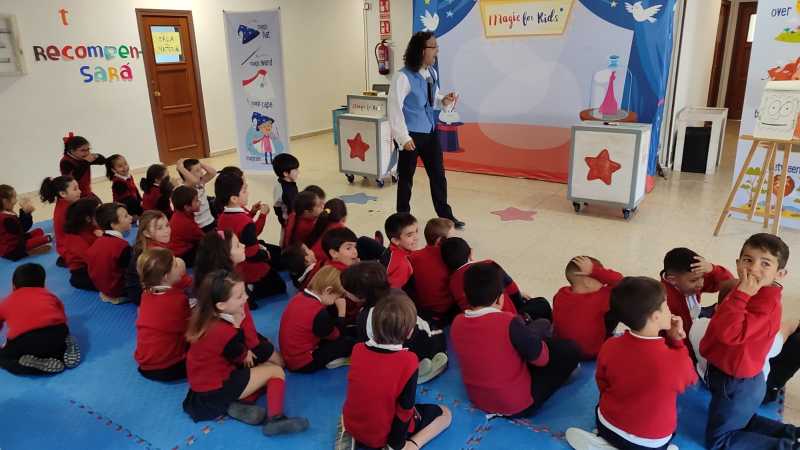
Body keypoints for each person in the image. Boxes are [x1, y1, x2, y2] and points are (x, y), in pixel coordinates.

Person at [565, 277, 696, 450]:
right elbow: (690, 379)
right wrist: (677, 341)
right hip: (651, 443)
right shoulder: (675, 360)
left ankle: (604, 443)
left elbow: (602, 383)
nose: (669, 309)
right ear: (655, 316)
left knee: (606, 407)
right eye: (666, 305)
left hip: (608, 426)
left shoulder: (610, 345)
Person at [700, 233, 799, 449]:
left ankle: (789, 446)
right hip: (738, 378)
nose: (753, 269)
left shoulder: (763, 302)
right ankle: (792, 434)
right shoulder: (747, 289)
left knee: (718, 442)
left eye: (765, 263)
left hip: (737, 382)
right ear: (738, 264)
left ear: (780, 274)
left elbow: (731, 334)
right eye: (748, 260)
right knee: (741, 419)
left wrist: (740, 295)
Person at [183, 270, 309, 436]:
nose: (246, 298)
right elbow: (239, 354)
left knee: (262, 369)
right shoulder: (225, 331)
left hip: (203, 384)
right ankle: (275, 419)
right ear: (221, 305)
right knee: (276, 371)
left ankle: (233, 406)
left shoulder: (205, 318)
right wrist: (239, 328)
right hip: (217, 387)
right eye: (240, 296)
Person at [338, 294, 452, 450]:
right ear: (409, 332)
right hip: (382, 436)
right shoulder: (409, 361)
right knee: (445, 414)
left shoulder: (358, 349)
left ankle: (351, 435)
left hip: (353, 424)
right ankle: (412, 445)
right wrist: (396, 444)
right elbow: (405, 409)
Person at [388, 31, 464, 229]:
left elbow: (432, 97)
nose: (437, 51)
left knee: (438, 175)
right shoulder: (402, 77)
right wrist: (403, 137)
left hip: (430, 132)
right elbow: (394, 108)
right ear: (422, 50)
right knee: (406, 178)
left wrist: (443, 100)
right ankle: (402, 218)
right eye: (434, 47)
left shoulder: (431, 73)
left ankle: (445, 215)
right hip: (411, 135)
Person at [0, 263, 81, 375]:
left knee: (4, 357)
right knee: (56, 341)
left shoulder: (5, 302)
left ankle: (32, 365)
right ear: (43, 284)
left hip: (25, 342)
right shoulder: (49, 295)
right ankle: (66, 346)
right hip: (58, 333)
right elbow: (62, 317)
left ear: (13, 286)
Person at [278, 266, 356, 373]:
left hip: (292, 356)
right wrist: (342, 313)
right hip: (303, 363)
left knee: (347, 330)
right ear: (328, 290)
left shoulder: (299, 297)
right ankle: (332, 360)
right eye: (338, 296)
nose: (338, 299)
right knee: (349, 343)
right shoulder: (319, 313)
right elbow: (336, 336)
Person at [135, 248, 192, 381]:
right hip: (168, 367)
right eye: (176, 264)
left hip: (145, 364)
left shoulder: (145, 294)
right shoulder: (178, 300)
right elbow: (189, 329)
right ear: (166, 276)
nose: (180, 264)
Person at [553, 256, 623, 360]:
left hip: (566, 351)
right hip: (592, 352)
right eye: (601, 279)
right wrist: (595, 271)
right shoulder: (601, 296)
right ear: (588, 282)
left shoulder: (560, 294)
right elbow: (622, 283)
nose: (604, 283)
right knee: (619, 301)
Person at [86, 202, 133, 304]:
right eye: (126, 216)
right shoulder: (121, 246)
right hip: (118, 290)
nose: (131, 217)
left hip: (102, 288)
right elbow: (132, 272)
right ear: (113, 225)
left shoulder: (97, 242)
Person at [0, 184, 52, 260]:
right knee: (47, 238)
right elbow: (23, 229)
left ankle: (30, 248)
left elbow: (18, 226)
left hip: (17, 239)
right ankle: (30, 252)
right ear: (5, 201)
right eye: (14, 197)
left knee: (39, 231)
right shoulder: (6, 219)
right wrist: (27, 213)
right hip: (12, 250)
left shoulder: (6, 212)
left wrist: (24, 212)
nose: (16, 200)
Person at [39, 175, 81, 266]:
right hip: (68, 249)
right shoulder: (68, 210)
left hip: (65, 246)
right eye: (75, 189)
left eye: (78, 188)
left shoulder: (64, 203)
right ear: (62, 193)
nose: (80, 191)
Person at [176, 158, 217, 232]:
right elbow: (194, 181)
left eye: (200, 169)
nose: (202, 172)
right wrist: (181, 168)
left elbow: (213, 172)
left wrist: (199, 163)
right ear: (186, 174)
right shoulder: (183, 188)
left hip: (210, 220)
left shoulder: (200, 183)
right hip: (199, 226)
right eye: (197, 170)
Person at [59, 134, 106, 200]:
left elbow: (103, 161)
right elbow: (73, 178)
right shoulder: (65, 162)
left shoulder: (83, 158)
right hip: (74, 196)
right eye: (83, 150)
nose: (87, 153)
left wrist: (97, 155)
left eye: (88, 149)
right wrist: (86, 162)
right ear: (72, 151)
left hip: (86, 192)